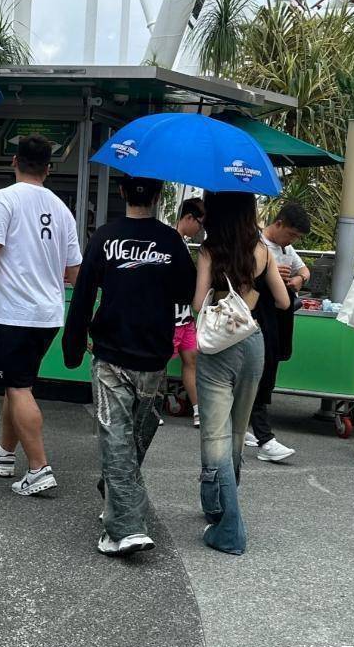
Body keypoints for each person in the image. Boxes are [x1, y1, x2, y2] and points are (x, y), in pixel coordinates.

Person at [62, 176, 196, 557]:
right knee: (125, 435)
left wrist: (73, 345)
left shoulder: (105, 237)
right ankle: (125, 526)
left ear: (121, 192)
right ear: (159, 194)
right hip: (154, 355)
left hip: (112, 349)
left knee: (125, 436)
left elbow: (84, 294)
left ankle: (117, 501)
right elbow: (186, 293)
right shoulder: (172, 242)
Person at [0, 134, 82, 495]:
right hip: (48, 316)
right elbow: (74, 270)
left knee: (18, 387)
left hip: (14, 314)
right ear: (48, 168)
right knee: (18, 383)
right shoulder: (62, 209)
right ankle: (4, 454)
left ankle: (39, 469)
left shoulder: (5, 198)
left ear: (14, 161)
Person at [193, 192, 290, 555]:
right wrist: (252, 293)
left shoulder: (209, 250)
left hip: (218, 346)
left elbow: (197, 303)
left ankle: (230, 528)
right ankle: (217, 506)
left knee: (214, 435)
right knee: (236, 431)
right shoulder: (262, 250)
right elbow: (283, 301)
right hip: (252, 343)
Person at [245, 203, 311, 461]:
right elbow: (246, 280)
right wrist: (269, 273)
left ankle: (242, 425)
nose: (292, 240)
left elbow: (303, 270)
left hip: (277, 319)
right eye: (291, 234)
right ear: (279, 223)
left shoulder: (286, 248)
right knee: (260, 373)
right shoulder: (256, 244)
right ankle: (265, 437)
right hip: (258, 316)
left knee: (265, 371)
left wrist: (298, 279)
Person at [173, 197, 205, 428]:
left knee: (191, 359)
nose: (199, 230)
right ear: (189, 218)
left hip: (185, 316)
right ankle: (150, 406)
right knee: (160, 363)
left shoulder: (182, 243)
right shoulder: (171, 241)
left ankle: (197, 409)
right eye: (200, 224)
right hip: (171, 315)